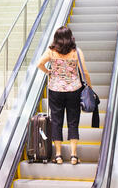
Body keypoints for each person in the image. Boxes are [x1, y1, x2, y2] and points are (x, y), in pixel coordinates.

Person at [37, 26, 91, 165]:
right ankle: (73, 155)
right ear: (70, 37)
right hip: (74, 90)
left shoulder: (51, 52)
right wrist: (89, 87)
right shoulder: (76, 52)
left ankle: (59, 155)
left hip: (55, 89)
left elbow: (39, 64)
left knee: (56, 121)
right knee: (73, 121)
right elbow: (84, 71)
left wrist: (49, 72)